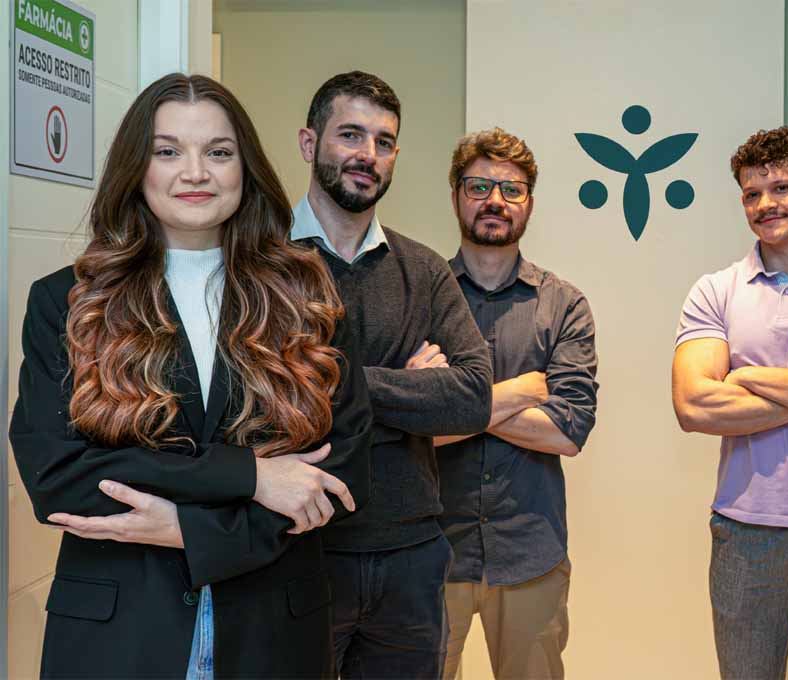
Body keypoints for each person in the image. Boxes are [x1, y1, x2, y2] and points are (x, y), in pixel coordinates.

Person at [9, 73, 372, 678]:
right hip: (118, 638)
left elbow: (342, 470)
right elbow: (57, 476)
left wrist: (190, 530)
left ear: (246, 168)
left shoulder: (308, 296)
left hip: (273, 633)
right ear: (137, 167)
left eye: (219, 152)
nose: (196, 173)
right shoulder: (69, 301)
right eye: (168, 151)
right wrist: (251, 477)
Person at [289, 71, 492, 679]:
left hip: (411, 556)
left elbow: (471, 398)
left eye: (383, 142)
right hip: (297, 549)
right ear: (309, 142)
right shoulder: (262, 261)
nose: (368, 155)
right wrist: (410, 388)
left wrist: (333, 383)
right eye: (351, 134)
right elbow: (265, 405)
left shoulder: (423, 270)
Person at [672, 126, 788, 679]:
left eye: (781, 188)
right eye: (752, 194)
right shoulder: (716, 289)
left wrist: (746, 378)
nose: (766, 204)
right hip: (743, 531)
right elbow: (694, 405)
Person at [433, 128, 599, 680]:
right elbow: (406, 424)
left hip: (530, 551)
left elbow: (568, 432)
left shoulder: (563, 304)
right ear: (456, 194)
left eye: (512, 189)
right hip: (433, 550)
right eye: (479, 186)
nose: (495, 201)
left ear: (529, 202)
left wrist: (457, 403)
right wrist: (522, 391)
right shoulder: (422, 296)